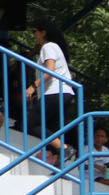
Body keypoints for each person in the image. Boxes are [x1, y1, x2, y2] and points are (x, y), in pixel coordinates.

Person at [25, 20, 76, 157]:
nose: (33, 35)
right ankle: (59, 162)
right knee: (53, 131)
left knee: (33, 124)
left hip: (55, 92)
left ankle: (64, 148)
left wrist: (33, 87)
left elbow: (50, 70)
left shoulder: (49, 47)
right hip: (63, 93)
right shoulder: (53, 47)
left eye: (34, 31)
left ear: (43, 33)